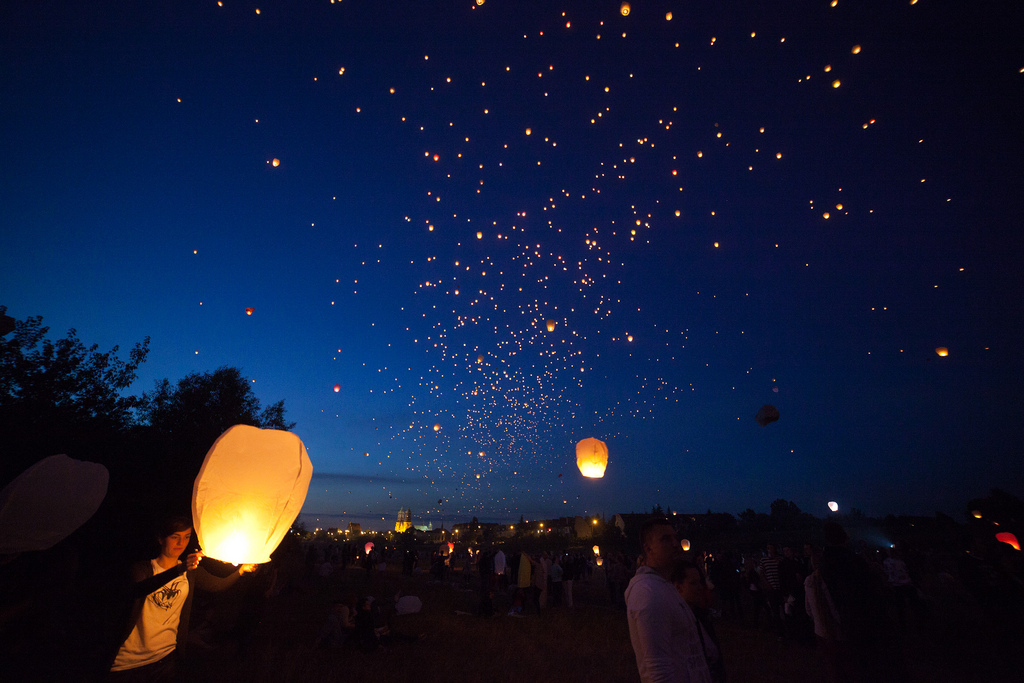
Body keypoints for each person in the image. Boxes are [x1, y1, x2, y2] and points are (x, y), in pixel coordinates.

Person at [109, 516, 254, 681]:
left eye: (186, 537)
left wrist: (241, 571)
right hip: (129, 663)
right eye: (175, 537)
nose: (181, 543)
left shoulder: (189, 571)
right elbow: (141, 589)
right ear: (161, 539)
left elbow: (216, 585)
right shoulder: (143, 569)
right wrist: (179, 569)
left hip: (166, 658)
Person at [625, 516, 712, 683]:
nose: (675, 544)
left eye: (675, 538)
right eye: (665, 539)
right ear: (648, 548)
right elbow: (658, 671)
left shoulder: (664, 585)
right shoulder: (649, 594)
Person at [672, 560, 726, 682]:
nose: (700, 587)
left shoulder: (702, 617)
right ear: (678, 587)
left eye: (700, 582)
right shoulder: (673, 624)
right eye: (693, 583)